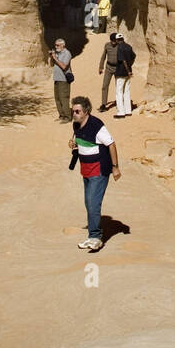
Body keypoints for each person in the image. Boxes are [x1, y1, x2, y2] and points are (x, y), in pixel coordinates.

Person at [68, 96, 120, 251]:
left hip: (99, 169)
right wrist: (74, 145)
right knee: (89, 202)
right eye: (73, 111)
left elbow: (111, 144)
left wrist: (115, 167)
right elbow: (83, 143)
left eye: (77, 111)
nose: (74, 113)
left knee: (92, 202)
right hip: (86, 169)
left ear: (86, 112)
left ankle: (95, 237)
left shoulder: (97, 126)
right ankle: (92, 235)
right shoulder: (76, 125)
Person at [48, 38, 73, 122]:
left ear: (63, 45)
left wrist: (55, 58)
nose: (56, 47)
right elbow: (52, 64)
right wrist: (51, 57)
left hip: (64, 79)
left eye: (57, 45)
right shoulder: (57, 53)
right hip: (57, 79)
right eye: (55, 45)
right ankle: (62, 115)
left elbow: (64, 66)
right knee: (57, 98)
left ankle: (68, 117)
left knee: (64, 98)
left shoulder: (67, 53)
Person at [114, 32, 136, 118]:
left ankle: (121, 112)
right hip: (128, 73)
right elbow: (134, 56)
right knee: (127, 91)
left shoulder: (119, 47)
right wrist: (130, 67)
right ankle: (128, 111)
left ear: (116, 40)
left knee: (119, 92)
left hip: (121, 72)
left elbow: (122, 60)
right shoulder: (128, 46)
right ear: (123, 38)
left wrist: (127, 70)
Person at [98, 31, 120, 111]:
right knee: (105, 86)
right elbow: (103, 56)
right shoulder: (107, 45)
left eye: (114, 41)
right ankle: (103, 104)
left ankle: (120, 103)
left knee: (118, 86)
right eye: (112, 41)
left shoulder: (120, 46)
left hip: (118, 68)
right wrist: (101, 67)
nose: (113, 42)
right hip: (109, 67)